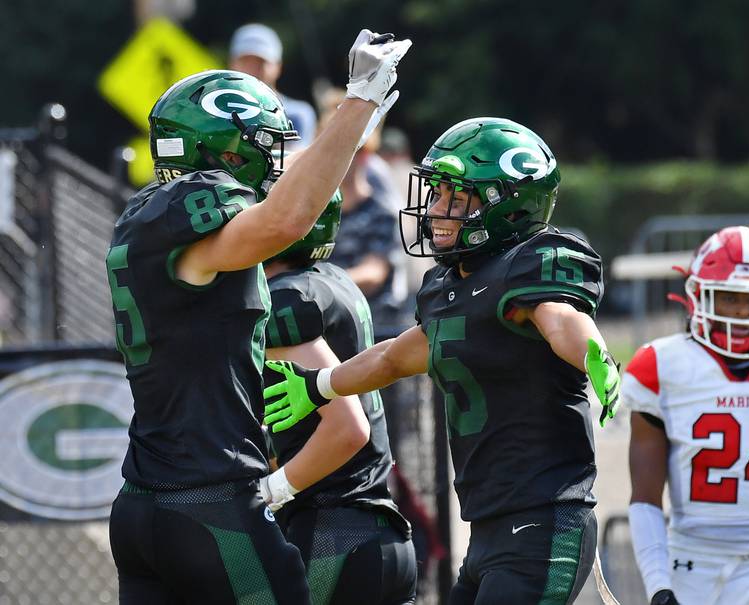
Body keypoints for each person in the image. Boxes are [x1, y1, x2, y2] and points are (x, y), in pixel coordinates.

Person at [106, 29, 411, 604]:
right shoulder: (192, 217)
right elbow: (283, 221)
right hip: (212, 503)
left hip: (142, 502)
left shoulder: (145, 214)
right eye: (262, 145)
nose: (272, 163)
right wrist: (360, 100)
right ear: (224, 150)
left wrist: (347, 124)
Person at [262, 117, 622, 604]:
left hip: (546, 518)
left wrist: (593, 353)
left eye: (454, 198)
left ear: (506, 205)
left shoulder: (530, 266)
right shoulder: (448, 286)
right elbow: (395, 355)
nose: (436, 211)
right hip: (490, 528)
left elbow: (560, 318)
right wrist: (321, 385)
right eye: (435, 195)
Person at [623, 226, 749, 605]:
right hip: (688, 561)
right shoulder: (661, 366)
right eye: (730, 297)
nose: (743, 311)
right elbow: (645, 498)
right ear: (699, 296)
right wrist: (658, 586)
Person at [260, 188, 417, 604]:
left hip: (333, 534)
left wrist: (271, 491)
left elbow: (348, 428)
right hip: (374, 529)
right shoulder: (331, 279)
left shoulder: (286, 301)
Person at [229, 23, 317, 148]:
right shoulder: (217, 108)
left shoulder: (297, 114)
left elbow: (294, 160)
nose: (252, 69)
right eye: (246, 61)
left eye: (261, 62)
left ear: (278, 67)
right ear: (232, 63)